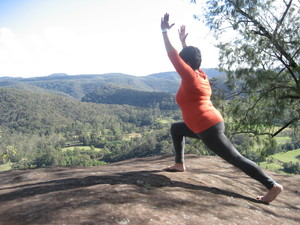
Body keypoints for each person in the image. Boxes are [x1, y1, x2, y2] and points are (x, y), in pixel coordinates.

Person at [160, 13, 283, 203]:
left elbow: (173, 55)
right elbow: (189, 59)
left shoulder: (191, 77)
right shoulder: (199, 74)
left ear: (188, 64)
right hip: (204, 124)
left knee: (235, 158)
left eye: (185, 63)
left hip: (207, 128)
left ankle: (272, 185)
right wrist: (185, 43)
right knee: (176, 128)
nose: (182, 65)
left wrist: (164, 31)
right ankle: (179, 164)